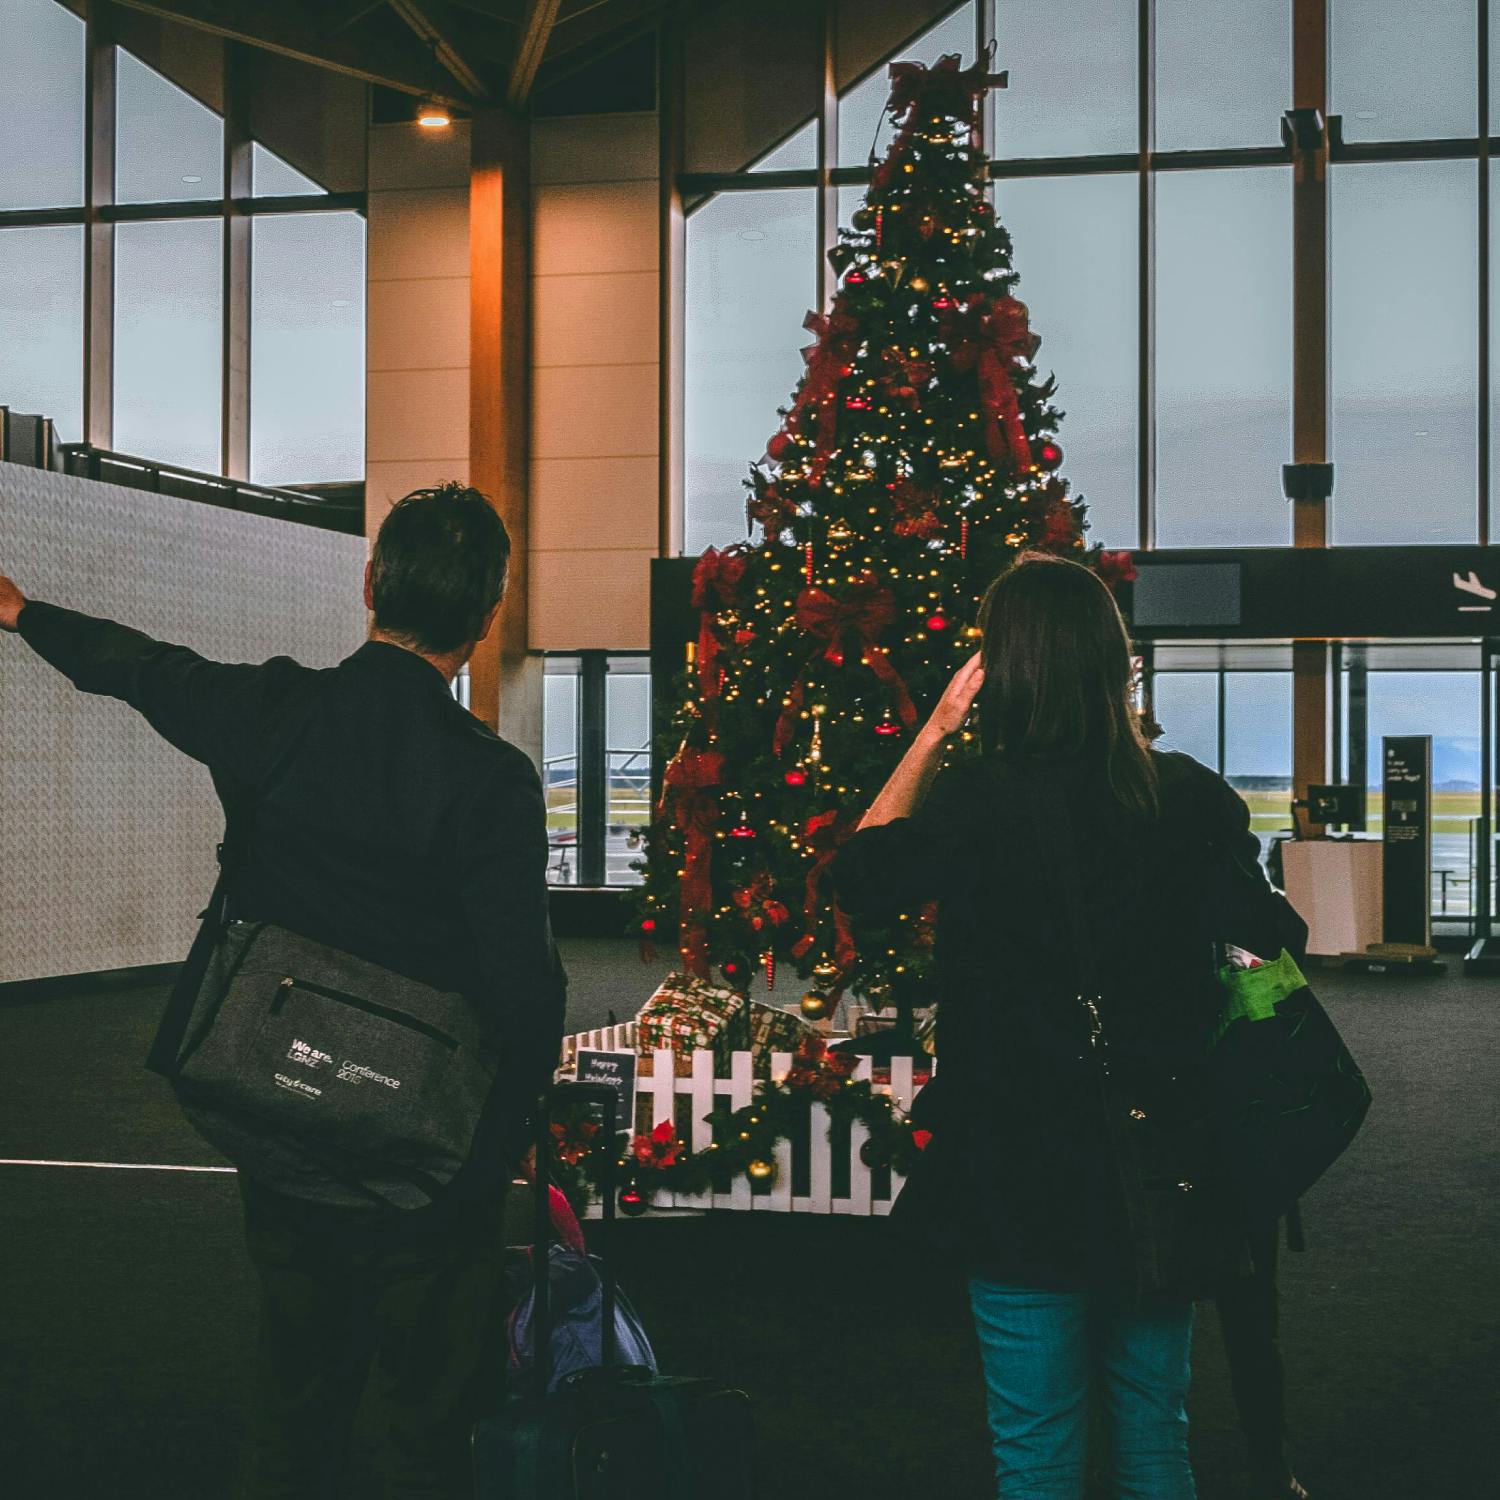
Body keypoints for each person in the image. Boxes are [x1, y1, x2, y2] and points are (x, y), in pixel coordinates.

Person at [0, 482, 567, 1500]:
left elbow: (136, 668)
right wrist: (520, 1115)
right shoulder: (492, 782)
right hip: (430, 1158)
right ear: (488, 619)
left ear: (369, 584)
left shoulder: (272, 712)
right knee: (432, 1425)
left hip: (285, 1116)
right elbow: (521, 983)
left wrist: (17, 610)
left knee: (297, 1402)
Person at [833, 551, 1308, 1500]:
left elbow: (861, 875)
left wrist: (935, 730)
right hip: (1157, 1159)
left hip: (1017, 1171)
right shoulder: (1187, 797)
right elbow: (1273, 940)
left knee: (1037, 1444)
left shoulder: (977, 804)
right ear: (1116, 664)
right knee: (1152, 1433)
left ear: (1003, 670)